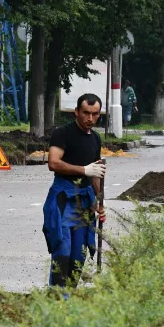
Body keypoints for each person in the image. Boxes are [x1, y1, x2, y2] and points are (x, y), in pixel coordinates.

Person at [43, 93, 107, 288]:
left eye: (95, 114)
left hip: (84, 202)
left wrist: (99, 204)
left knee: (78, 255)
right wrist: (83, 170)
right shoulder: (62, 133)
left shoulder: (95, 138)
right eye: (86, 113)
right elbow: (53, 163)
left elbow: (95, 174)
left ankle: (68, 299)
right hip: (63, 199)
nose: (90, 118)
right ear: (76, 112)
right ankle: (57, 299)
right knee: (62, 250)